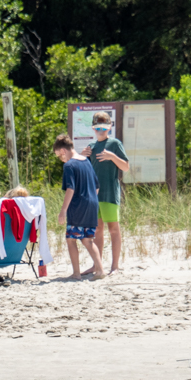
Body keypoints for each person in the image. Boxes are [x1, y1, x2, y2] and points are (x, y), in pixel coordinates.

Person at [81, 112, 129, 274]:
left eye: (104, 127)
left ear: (109, 127)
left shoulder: (115, 144)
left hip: (109, 193)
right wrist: (81, 157)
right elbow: (81, 171)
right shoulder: (91, 148)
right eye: (98, 127)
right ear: (93, 129)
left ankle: (115, 266)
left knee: (113, 229)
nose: (101, 130)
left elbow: (125, 167)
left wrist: (112, 156)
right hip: (94, 196)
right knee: (97, 230)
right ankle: (97, 265)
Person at [53, 134, 104, 280]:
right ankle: (100, 270)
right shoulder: (86, 161)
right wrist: (91, 200)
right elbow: (97, 186)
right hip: (92, 203)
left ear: (63, 151)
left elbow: (71, 188)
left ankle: (76, 273)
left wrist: (63, 210)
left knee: (71, 239)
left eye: (59, 155)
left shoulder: (69, 165)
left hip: (78, 205)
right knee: (88, 239)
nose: (60, 159)